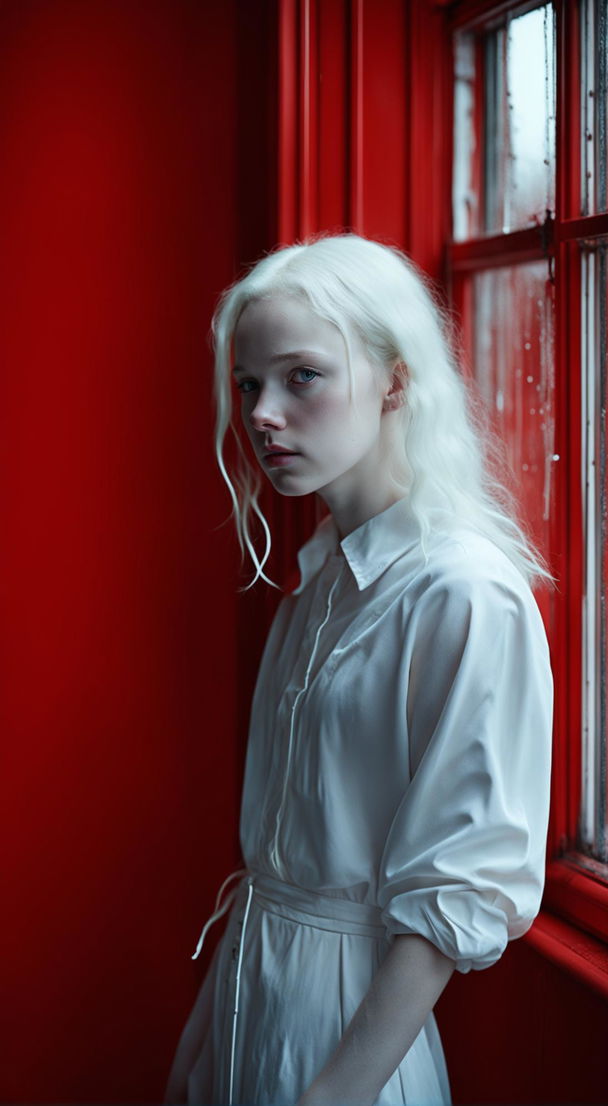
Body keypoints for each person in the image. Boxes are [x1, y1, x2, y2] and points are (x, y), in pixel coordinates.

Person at [164, 232, 554, 1106]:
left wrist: (332, 1094)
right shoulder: (321, 577)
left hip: (350, 1040)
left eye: (302, 377)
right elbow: (269, 864)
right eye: (248, 385)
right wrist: (197, 1050)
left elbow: (461, 890)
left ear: (395, 379)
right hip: (248, 1003)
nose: (264, 413)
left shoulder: (464, 593)